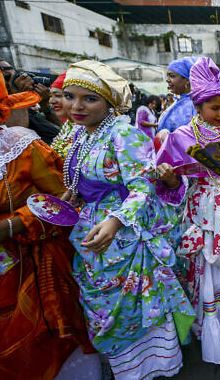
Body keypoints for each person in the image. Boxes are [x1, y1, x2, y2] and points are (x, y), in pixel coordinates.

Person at [61, 60, 194, 379]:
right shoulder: (81, 133)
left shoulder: (123, 132)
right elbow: (84, 177)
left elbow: (143, 185)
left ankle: (150, 368)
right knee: (103, 305)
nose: (77, 106)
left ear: (109, 102)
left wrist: (116, 222)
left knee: (132, 308)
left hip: (126, 237)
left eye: (89, 98)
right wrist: (75, 194)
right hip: (92, 232)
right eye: (70, 96)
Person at [0, 72, 101, 380]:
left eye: (84, 98)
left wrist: (15, 224)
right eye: (66, 96)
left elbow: (65, 203)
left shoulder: (21, 148)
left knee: (42, 343)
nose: (68, 104)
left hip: (31, 265)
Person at [155, 57, 220, 364]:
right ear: (198, 107)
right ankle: (217, 334)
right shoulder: (183, 136)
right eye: (215, 108)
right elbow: (174, 188)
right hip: (204, 213)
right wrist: (170, 179)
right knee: (213, 274)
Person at [157, 57, 198, 136]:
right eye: (167, 76)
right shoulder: (178, 102)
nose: (167, 80)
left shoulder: (195, 105)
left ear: (187, 80)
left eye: (172, 76)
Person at [49, 72, 78, 158]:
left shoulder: (88, 128)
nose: (52, 101)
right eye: (50, 96)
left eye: (58, 95)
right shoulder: (68, 125)